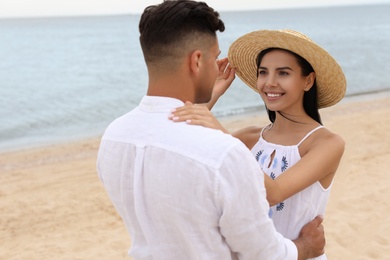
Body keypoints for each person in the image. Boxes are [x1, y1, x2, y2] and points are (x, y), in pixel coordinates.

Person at [97, 1, 325, 259]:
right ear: (196, 60)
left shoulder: (114, 136)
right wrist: (306, 247)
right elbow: (263, 252)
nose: (218, 66)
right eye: (215, 57)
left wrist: (203, 102)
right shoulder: (223, 153)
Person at [170, 29, 347, 259]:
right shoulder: (249, 138)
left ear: (308, 80)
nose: (270, 82)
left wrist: (220, 133)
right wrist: (210, 96)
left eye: (283, 73)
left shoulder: (326, 143)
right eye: (263, 72)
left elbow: (273, 193)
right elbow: (188, 157)